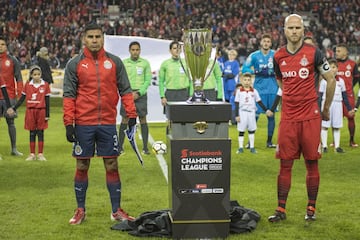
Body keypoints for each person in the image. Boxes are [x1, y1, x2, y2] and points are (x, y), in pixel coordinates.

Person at [62, 23, 137, 225]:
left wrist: (131, 114)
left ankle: (116, 210)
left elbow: (126, 90)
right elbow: (69, 95)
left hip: (107, 123)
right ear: (84, 39)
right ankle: (80, 210)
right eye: (91, 37)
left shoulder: (114, 62)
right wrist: (69, 123)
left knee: (112, 164)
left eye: (98, 36)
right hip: (83, 124)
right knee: (82, 164)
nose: (94, 40)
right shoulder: (74, 64)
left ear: (103, 38)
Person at [268, 14, 336, 223]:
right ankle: (280, 210)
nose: (295, 31)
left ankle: (311, 208)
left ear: (303, 30)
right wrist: (291, 95)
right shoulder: (278, 56)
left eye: (298, 28)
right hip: (288, 117)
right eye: (291, 28)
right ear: (285, 31)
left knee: (311, 163)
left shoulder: (314, 53)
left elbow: (330, 79)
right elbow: (281, 82)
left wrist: (325, 108)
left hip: (310, 117)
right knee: (285, 164)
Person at [242, 34, 278, 148]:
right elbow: (245, 68)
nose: (266, 43)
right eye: (264, 41)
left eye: (268, 41)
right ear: (261, 43)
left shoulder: (276, 55)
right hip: (259, 90)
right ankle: (249, 142)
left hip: (273, 89)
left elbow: (283, 66)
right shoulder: (254, 56)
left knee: (271, 116)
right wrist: (256, 71)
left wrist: (275, 72)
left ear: (270, 43)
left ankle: (269, 142)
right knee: (255, 116)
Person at [118, 41, 151, 155]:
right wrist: (128, 93)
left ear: (140, 50)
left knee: (143, 119)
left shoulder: (145, 63)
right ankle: (119, 147)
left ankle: (145, 148)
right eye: (133, 50)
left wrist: (139, 93)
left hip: (140, 95)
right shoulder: (124, 63)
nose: (135, 52)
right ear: (129, 51)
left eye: (137, 50)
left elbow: (147, 80)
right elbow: (121, 80)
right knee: (125, 119)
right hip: (127, 94)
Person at [12, 65, 51, 161]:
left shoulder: (45, 85)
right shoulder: (28, 85)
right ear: (31, 75)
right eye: (35, 74)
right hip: (30, 111)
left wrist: (47, 114)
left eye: (38, 74)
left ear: (41, 75)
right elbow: (22, 99)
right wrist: (14, 108)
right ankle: (32, 154)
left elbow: (47, 100)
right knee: (32, 132)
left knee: (40, 132)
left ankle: (41, 154)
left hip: (41, 111)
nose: (37, 76)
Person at [319, 59, 354, 153]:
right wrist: (319, 108)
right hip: (326, 104)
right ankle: (325, 146)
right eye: (330, 67)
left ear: (337, 69)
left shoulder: (341, 81)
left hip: (338, 105)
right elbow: (320, 96)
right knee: (324, 126)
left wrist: (349, 108)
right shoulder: (324, 82)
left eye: (334, 67)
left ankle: (337, 147)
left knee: (336, 126)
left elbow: (345, 96)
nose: (332, 69)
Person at [234, 73, 273, 154]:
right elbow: (236, 104)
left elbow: (259, 102)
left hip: (251, 113)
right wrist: (237, 115)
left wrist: (266, 110)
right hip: (242, 113)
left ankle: (252, 147)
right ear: (242, 81)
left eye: (248, 80)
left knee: (251, 130)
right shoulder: (239, 91)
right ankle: (240, 148)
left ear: (251, 81)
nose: (247, 82)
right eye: (245, 80)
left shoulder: (254, 91)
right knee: (241, 131)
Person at [0, 35, 24, 156]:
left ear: (6, 46)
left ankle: (14, 149)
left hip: (9, 96)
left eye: (3, 44)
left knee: (11, 123)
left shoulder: (12, 60)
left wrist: (19, 93)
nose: (0, 46)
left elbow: (19, 77)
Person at [335, 43, 360, 147]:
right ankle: (335, 141)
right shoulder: (334, 64)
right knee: (335, 118)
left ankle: (351, 141)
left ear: (345, 52)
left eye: (339, 51)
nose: (336, 53)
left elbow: (356, 78)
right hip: (335, 96)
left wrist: (349, 87)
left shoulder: (353, 64)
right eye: (336, 51)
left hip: (348, 95)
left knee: (350, 117)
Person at [159, 41, 190, 107]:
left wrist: (191, 95)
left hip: (184, 93)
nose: (177, 50)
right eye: (174, 48)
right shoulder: (165, 64)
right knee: (170, 116)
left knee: (185, 116)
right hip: (170, 94)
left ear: (181, 50)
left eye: (179, 48)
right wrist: (162, 96)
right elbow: (161, 82)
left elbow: (191, 80)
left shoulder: (186, 63)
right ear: (170, 50)